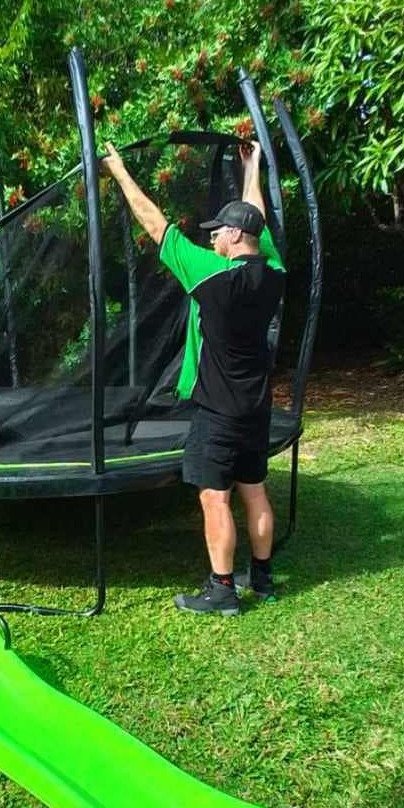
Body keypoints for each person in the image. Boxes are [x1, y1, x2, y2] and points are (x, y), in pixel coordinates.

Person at [101, 139, 285, 616]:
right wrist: (254, 168)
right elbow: (256, 217)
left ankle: (222, 588)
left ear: (232, 237)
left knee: (214, 496)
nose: (211, 238)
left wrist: (119, 172)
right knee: (255, 490)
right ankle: (262, 578)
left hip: (219, 412)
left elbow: (155, 224)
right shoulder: (275, 273)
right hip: (257, 407)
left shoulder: (211, 276)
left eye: (217, 232)